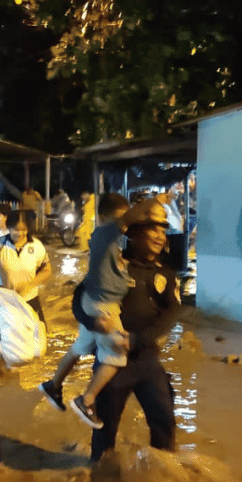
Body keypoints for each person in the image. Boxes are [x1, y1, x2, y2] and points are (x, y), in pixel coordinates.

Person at [83, 197, 182, 463]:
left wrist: (141, 339)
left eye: (163, 230)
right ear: (135, 232)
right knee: (105, 427)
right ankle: (99, 477)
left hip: (148, 360)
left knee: (164, 420)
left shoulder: (166, 273)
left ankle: (162, 473)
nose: (160, 236)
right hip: (113, 363)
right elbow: (80, 298)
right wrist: (91, 323)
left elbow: (172, 312)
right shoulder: (113, 266)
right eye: (153, 228)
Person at [39, 193, 137, 428]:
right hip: (103, 305)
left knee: (79, 347)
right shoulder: (104, 236)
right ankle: (86, 399)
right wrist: (158, 202)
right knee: (117, 354)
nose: (123, 225)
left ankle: (53, 385)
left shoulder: (109, 245)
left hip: (93, 302)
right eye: (119, 219)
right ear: (104, 218)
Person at [0, 210, 51, 323]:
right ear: (9, 227)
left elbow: (46, 269)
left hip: (29, 301)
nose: (20, 233)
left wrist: (29, 285)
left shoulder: (36, 246)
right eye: (16, 229)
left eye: (24, 229)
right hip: (4, 303)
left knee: (34, 337)